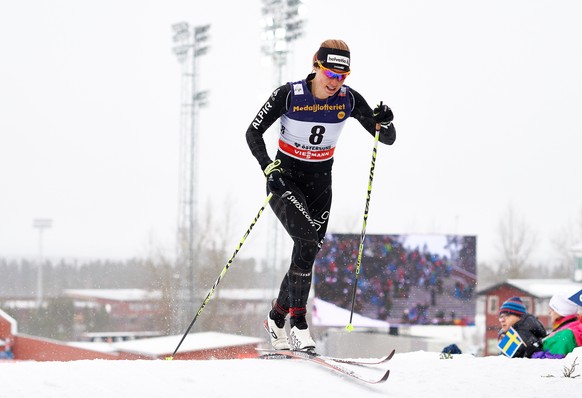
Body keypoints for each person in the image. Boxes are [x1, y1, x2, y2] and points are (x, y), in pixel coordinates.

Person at [246, 39, 396, 351]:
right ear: (316, 66)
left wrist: (386, 120)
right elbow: (253, 132)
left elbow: (387, 138)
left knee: (308, 251)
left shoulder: (349, 100)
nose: (335, 82)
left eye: (342, 77)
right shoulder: (289, 95)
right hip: (286, 180)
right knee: (306, 243)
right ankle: (298, 324)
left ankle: (275, 318)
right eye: (330, 74)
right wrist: (267, 168)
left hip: (320, 185)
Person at [531, 292, 582, 359]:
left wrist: (533, 354)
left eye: (552, 310)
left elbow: (553, 362)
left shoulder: (565, 334)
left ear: (561, 311)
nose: (549, 313)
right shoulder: (573, 326)